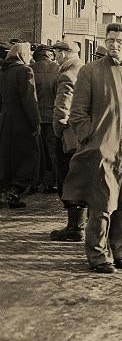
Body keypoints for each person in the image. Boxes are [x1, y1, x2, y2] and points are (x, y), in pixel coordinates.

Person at [62, 23, 122, 273]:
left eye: (119, 41)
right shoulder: (90, 71)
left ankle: (120, 251)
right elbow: (78, 112)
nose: (114, 45)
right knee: (102, 204)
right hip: (103, 150)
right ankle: (98, 255)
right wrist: (92, 139)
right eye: (110, 40)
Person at [49, 40, 87, 241]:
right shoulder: (87, 70)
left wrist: (57, 130)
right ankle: (83, 224)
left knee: (68, 178)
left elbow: (62, 109)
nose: (55, 57)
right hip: (86, 133)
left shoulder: (67, 74)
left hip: (70, 135)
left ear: (63, 53)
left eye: (56, 53)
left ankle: (75, 227)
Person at [0, 42, 41, 208]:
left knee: (7, 156)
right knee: (28, 155)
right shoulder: (25, 71)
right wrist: (35, 122)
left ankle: (6, 191)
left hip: (6, 119)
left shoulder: (4, 71)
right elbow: (29, 100)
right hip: (21, 120)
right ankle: (15, 191)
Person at [32, 45, 61, 193]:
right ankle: (53, 182)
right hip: (51, 116)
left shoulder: (29, 68)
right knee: (53, 151)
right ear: (51, 55)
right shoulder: (58, 68)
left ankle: (35, 182)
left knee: (35, 150)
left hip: (33, 117)